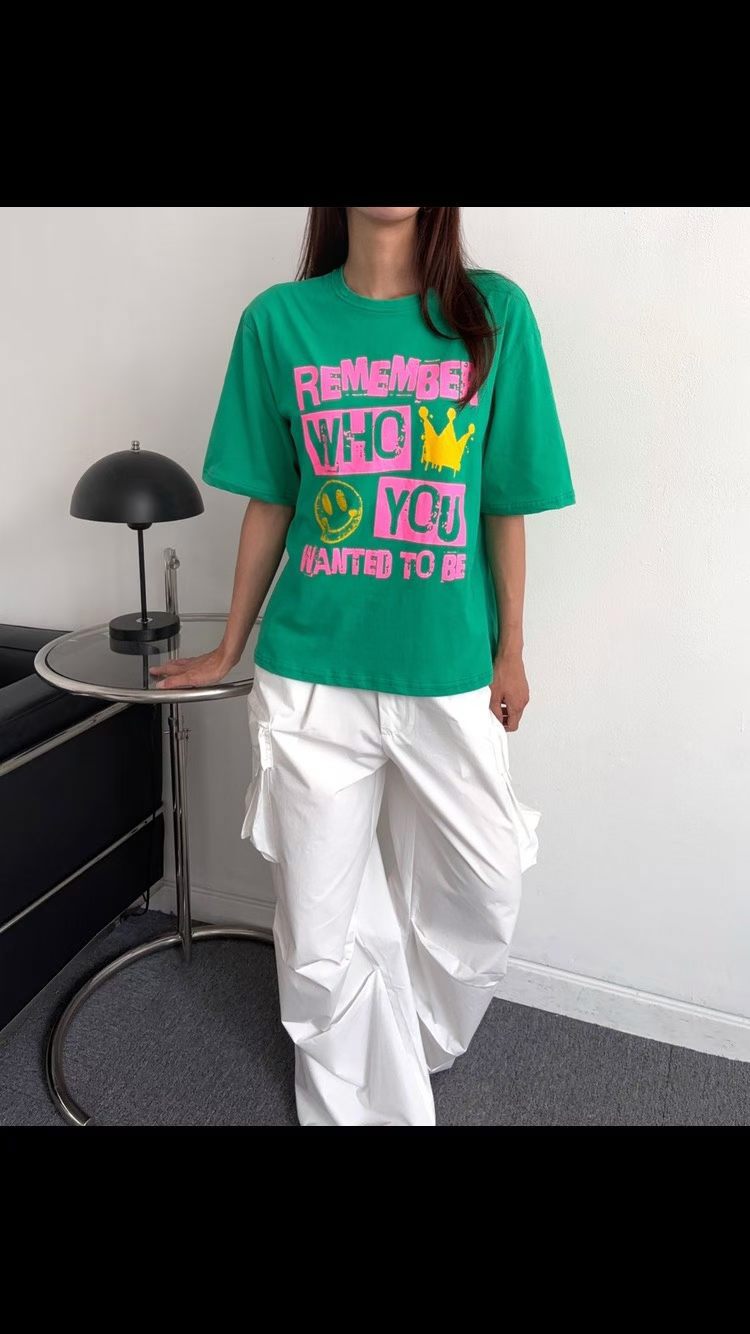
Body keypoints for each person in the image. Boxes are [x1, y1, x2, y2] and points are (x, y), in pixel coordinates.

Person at [149, 206, 576, 1127]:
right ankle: (355, 1102)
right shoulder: (279, 321)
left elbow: (502, 501)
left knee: (485, 885)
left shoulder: (493, 314)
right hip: (313, 672)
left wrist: (511, 649)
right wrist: (231, 643)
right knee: (318, 922)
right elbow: (273, 500)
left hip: (447, 670)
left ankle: (409, 1043)